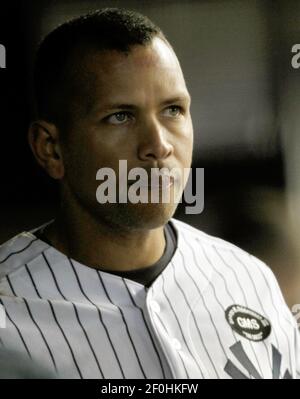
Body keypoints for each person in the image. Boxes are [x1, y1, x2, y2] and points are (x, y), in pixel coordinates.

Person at [0, 8, 299, 379]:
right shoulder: (7, 314)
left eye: (173, 110)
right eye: (120, 116)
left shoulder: (247, 277)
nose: (158, 145)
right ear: (51, 148)